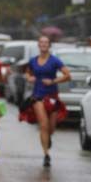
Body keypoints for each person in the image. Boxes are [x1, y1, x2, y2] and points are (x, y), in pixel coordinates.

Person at [21, 35, 71, 167]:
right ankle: (46, 155)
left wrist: (53, 81)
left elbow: (68, 75)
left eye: (46, 42)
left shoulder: (55, 61)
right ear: (38, 45)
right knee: (43, 125)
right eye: (41, 42)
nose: (43, 44)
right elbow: (27, 72)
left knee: (51, 128)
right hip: (38, 96)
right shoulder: (33, 61)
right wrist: (29, 78)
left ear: (49, 45)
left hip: (52, 97)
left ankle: (48, 138)